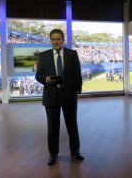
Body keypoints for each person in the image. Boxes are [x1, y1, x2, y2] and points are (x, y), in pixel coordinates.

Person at [35, 29, 84, 166]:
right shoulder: (43, 56)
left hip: (69, 96)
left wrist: (74, 90)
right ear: (50, 40)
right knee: (52, 127)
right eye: (53, 39)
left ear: (63, 40)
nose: (56, 42)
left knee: (72, 125)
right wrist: (46, 79)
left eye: (58, 39)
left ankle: (75, 151)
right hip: (51, 96)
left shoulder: (72, 54)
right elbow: (38, 75)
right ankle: (53, 154)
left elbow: (77, 75)